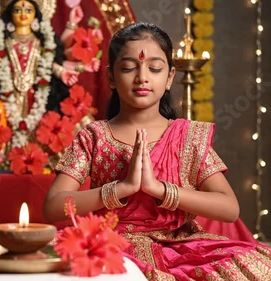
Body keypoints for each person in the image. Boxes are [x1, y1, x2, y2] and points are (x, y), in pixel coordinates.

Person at [43, 22, 271, 279]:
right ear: (110, 77)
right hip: (108, 245)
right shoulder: (94, 136)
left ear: (170, 77)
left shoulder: (187, 137)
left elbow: (229, 208)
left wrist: (159, 189)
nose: (142, 77)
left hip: (180, 249)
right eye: (129, 67)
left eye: (154, 68)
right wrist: (121, 188)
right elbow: (53, 206)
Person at [0, 0, 98, 146]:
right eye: (18, 10)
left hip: (37, 96)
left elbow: (51, 64)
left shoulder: (42, 41)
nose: (23, 14)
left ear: (36, 15)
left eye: (28, 10)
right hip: (8, 96)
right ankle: (2, 153)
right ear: (9, 14)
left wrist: (63, 72)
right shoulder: (3, 41)